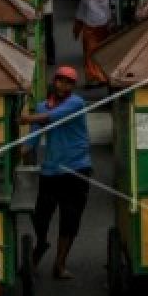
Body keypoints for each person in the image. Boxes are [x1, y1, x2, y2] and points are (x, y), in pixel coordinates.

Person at [21, 66, 93, 279]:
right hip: (51, 171)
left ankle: (60, 264)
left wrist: (27, 118)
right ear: (54, 82)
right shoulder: (43, 107)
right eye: (60, 81)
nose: (63, 85)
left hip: (77, 170)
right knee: (40, 215)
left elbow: (51, 118)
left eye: (69, 82)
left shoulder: (76, 104)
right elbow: (33, 138)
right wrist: (18, 151)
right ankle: (42, 242)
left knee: (70, 219)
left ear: (73, 86)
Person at [73, 0, 112, 87]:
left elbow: (111, 9)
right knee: (90, 53)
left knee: (103, 53)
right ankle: (90, 78)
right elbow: (81, 11)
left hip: (104, 27)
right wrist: (77, 27)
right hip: (89, 28)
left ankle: (102, 77)